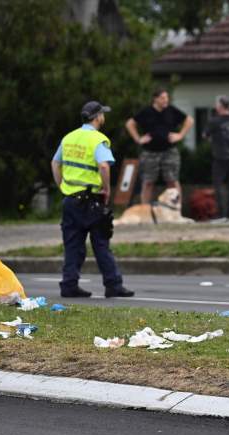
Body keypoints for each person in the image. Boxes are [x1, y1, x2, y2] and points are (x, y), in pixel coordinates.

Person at [51, 101, 134, 298]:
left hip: (70, 199)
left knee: (72, 245)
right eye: (102, 114)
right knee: (101, 243)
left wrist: (62, 185)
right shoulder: (98, 140)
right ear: (97, 117)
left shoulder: (69, 138)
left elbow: (55, 163)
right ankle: (113, 285)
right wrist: (106, 189)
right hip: (92, 201)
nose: (103, 117)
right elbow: (104, 166)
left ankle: (69, 285)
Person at [125, 88, 194, 204]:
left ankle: (176, 211)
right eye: (162, 98)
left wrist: (180, 135)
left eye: (167, 97)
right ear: (155, 99)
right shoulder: (146, 112)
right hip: (150, 152)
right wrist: (138, 139)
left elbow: (189, 120)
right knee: (148, 182)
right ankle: (146, 210)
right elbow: (130, 124)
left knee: (172, 181)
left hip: (169, 151)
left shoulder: (171, 110)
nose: (165, 100)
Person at [204, 95, 229, 222]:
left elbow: (205, 135)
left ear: (220, 106)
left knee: (218, 185)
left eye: (216, 104)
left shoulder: (214, 121)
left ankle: (221, 215)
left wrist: (212, 139)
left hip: (220, 156)